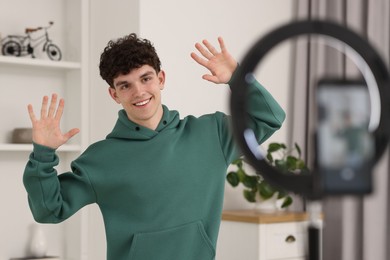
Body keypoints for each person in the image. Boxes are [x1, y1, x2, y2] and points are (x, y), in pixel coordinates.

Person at [23, 33, 286, 260]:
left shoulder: (211, 134)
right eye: (125, 85)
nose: (139, 92)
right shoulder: (100, 159)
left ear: (161, 78)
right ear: (114, 94)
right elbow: (49, 210)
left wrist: (238, 78)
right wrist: (43, 153)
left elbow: (269, 118)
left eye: (146, 78)